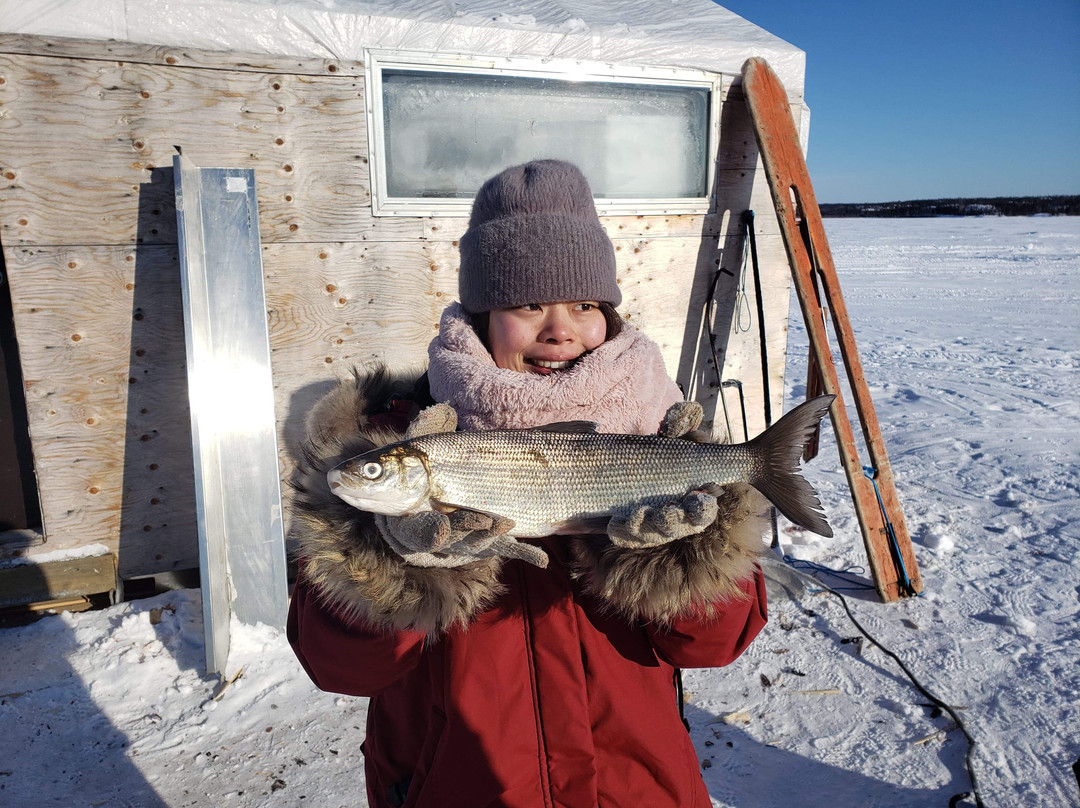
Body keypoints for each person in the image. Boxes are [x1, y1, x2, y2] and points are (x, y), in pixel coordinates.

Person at [287, 159, 769, 808]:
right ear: (482, 315)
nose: (560, 328)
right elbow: (337, 666)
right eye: (528, 303)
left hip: (636, 789)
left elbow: (716, 644)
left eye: (584, 305)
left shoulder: (663, 442)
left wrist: (684, 558)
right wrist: (389, 569)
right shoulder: (389, 443)